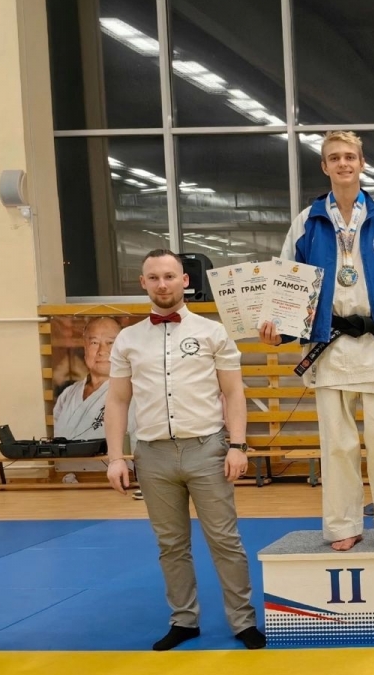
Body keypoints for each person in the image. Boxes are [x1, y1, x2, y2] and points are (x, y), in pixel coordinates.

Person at [260, 131, 374, 552]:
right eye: (334, 157)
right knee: (337, 444)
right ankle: (343, 525)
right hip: (329, 340)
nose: (343, 163)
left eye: (350, 156)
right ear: (324, 166)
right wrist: (279, 327)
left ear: (361, 163)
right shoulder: (308, 221)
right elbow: (288, 280)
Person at [104, 249, 265, 651]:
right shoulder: (127, 339)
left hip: (207, 449)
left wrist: (238, 445)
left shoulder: (213, 332)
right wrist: (116, 457)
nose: (162, 284)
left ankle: (243, 621)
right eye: (154, 277)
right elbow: (118, 400)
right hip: (152, 454)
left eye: (170, 276)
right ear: (143, 283)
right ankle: (183, 620)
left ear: (185, 281)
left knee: (225, 540)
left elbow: (234, 393)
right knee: (171, 545)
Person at [54, 317, 136, 474]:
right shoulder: (68, 394)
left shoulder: (134, 390)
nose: (102, 351)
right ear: (85, 350)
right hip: (64, 479)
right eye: (94, 343)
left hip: (116, 477)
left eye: (110, 343)